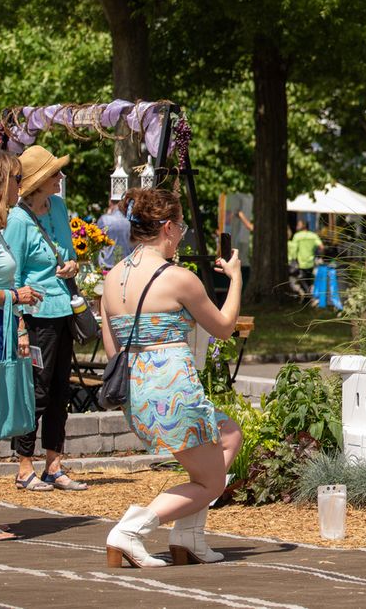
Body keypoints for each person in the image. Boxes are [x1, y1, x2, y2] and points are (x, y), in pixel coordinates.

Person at [101, 188, 243, 567]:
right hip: (175, 391)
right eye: (179, 227)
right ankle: (131, 530)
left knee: (229, 434)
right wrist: (236, 277)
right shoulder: (179, 278)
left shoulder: (112, 278)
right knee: (211, 482)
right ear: (167, 227)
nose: (181, 234)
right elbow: (225, 327)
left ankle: (188, 535)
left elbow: (112, 348)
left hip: (135, 390)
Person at [4, 145, 86, 492]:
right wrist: (21, 325)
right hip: (36, 316)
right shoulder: (18, 220)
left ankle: (54, 462)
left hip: (64, 308)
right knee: (35, 390)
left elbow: (67, 254)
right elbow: (13, 275)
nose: (61, 178)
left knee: (59, 390)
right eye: (55, 173)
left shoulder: (60, 206)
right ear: (38, 182)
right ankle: (24, 466)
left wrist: (72, 265)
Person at [0, 150, 45, 537]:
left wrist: (20, 325)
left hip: (4, 329)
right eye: (13, 178)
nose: (18, 186)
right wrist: (15, 299)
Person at [288, 219, 323, 296]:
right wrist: (318, 255)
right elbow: (321, 247)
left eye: (298, 225)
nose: (297, 226)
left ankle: (308, 296)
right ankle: (307, 298)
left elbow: (294, 250)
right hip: (310, 262)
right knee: (308, 280)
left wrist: (292, 259)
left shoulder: (297, 236)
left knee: (302, 279)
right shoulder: (313, 235)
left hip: (301, 263)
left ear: (303, 225)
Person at [98, 196, 133, 269]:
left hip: (107, 266)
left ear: (110, 202)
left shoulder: (105, 219)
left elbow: (97, 242)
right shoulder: (131, 221)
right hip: (127, 266)